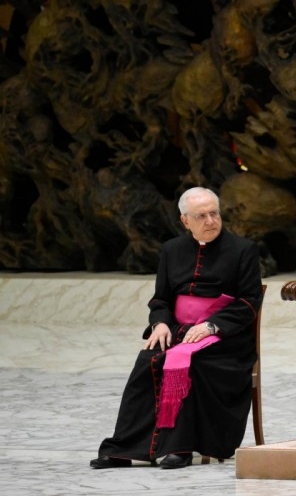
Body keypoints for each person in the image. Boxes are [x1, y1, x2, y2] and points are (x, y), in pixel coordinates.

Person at [90, 187, 263, 469]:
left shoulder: (243, 249)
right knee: (148, 360)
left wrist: (212, 326)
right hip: (179, 331)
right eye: (201, 216)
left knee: (194, 363)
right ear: (185, 220)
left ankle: (180, 448)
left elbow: (249, 301)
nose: (210, 221)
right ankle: (126, 448)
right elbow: (161, 298)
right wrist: (159, 323)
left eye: (214, 213)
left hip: (225, 338)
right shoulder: (172, 250)